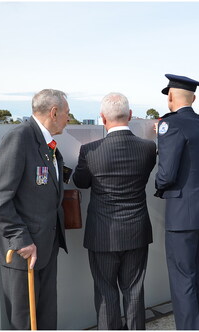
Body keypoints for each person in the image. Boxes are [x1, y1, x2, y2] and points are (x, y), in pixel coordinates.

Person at [0, 89, 70, 329]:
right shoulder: (20, 137)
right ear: (54, 111)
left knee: (46, 313)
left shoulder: (46, 142)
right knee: (25, 319)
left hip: (46, 244)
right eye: (67, 113)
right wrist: (21, 239)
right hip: (22, 248)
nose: (69, 119)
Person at [72, 92, 156, 330]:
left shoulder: (90, 151)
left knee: (106, 291)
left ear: (102, 118)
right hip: (136, 229)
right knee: (135, 290)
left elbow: (81, 182)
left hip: (103, 233)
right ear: (129, 115)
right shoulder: (148, 148)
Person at [154, 74, 199, 330]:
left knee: (182, 280)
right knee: (196, 275)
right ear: (194, 98)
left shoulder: (171, 125)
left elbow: (166, 174)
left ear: (170, 96)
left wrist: (158, 187)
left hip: (182, 214)